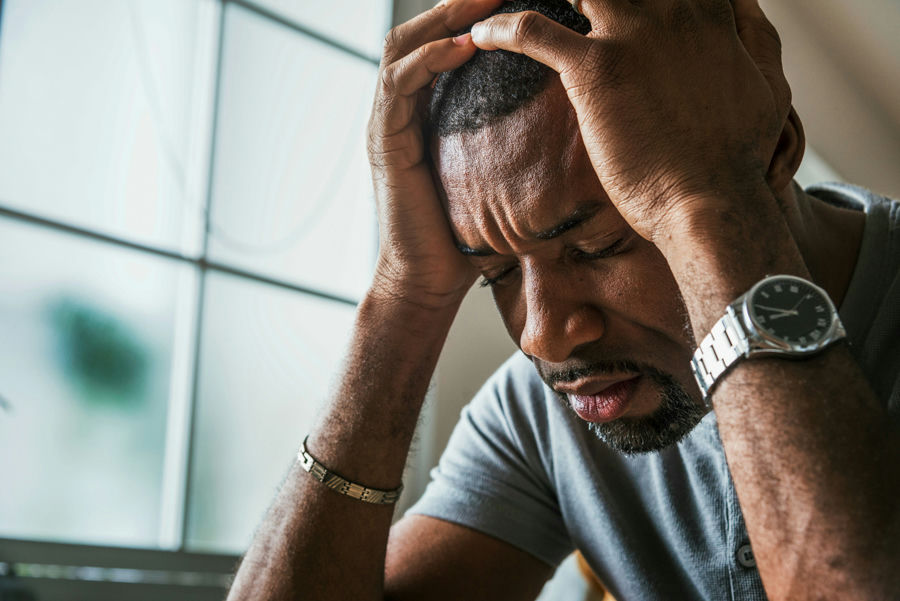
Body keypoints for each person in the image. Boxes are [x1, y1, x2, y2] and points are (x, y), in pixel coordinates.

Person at [227, 0, 899, 599]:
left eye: (599, 247)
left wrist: (710, 200)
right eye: (497, 274)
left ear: (774, 148)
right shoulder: (537, 417)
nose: (543, 337)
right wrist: (403, 296)